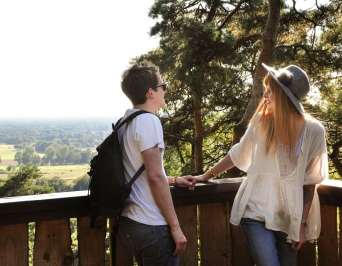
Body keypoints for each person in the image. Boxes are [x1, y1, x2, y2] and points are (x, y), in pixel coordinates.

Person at [194, 63, 328, 266]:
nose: (264, 96)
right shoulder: (261, 122)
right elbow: (238, 153)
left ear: (284, 97)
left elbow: (311, 182)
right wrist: (206, 176)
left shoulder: (314, 131)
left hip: (289, 218)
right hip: (256, 212)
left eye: (270, 91)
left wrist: (301, 225)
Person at [118, 60, 196, 266]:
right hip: (151, 224)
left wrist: (174, 180)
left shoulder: (124, 122)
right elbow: (154, 176)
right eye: (163, 86)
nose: (165, 91)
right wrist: (176, 227)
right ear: (151, 92)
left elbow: (139, 173)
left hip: (130, 224)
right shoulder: (149, 121)